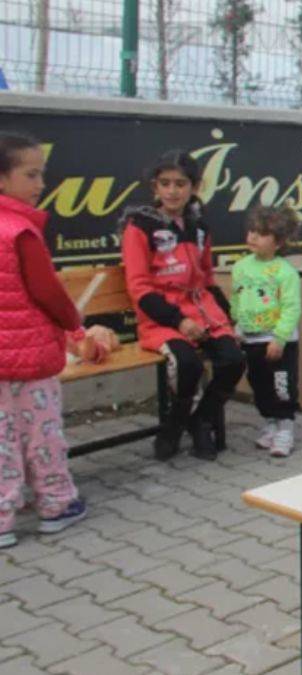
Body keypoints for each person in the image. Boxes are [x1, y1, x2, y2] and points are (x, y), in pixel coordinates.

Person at [0, 132, 118, 548]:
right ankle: (56, 504)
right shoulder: (21, 232)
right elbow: (48, 292)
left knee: (2, 440)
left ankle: (3, 517)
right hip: (30, 360)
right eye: (31, 174)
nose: (40, 184)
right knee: (42, 435)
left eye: (41, 174)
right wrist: (73, 321)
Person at [120, 151, 245, 461]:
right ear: (155, 187)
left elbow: (207, 278)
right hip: (162, 319)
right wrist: (179, 321)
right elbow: (139, 288)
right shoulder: (139, 226)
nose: (172, 191)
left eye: (180, 183)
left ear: (194, 186)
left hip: (203, 315)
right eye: (165, 183)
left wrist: (229, 319)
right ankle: (173, 427)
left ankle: (201, 421)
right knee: (188, 364)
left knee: (234, 360)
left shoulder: (199, 226)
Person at [230, 205, 302, 458]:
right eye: (251, 231)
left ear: (279, 242)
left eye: (261, 234)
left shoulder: (286, 272)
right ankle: (270, 422)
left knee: (282, 385)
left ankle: (286, 428)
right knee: (258, 383)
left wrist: (279, 339)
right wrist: (237, 325)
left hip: (278, 342)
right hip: (251, 339)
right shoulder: (240, 267)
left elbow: (291, 308)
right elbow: (237, 298)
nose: (253, 237)